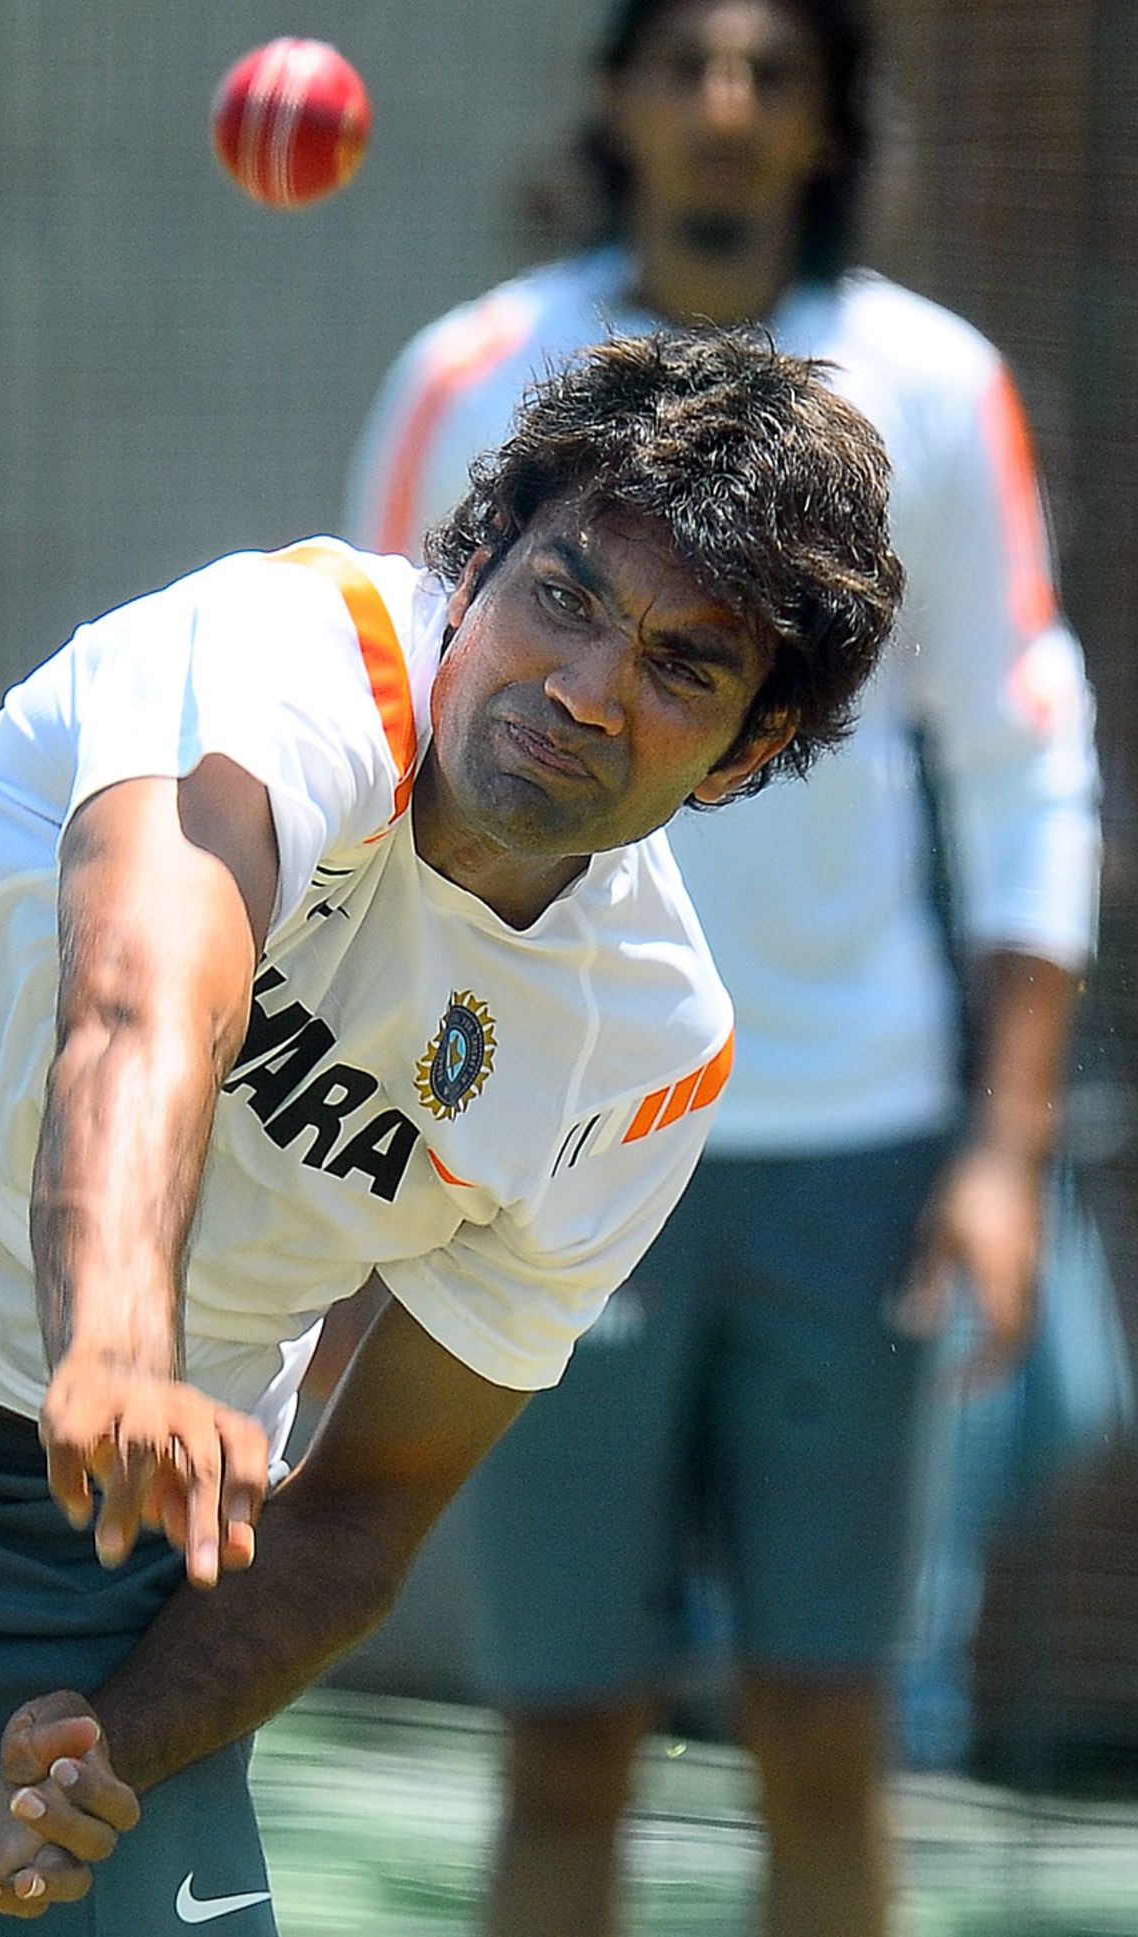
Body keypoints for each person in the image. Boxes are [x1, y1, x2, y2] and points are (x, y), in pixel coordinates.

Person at [0, 328, 904, 1932]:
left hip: (70, 1551)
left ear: (750, 748)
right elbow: (145, 994)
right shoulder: (293, 647)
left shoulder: (647, 1053)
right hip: (96, 1397)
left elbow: (362, 1509)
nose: (585, 688)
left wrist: (108, 1749)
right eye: (564, 596)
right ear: (475, 565)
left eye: (682, 665)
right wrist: (123, 1345)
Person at [341, 3, 1101, 1935]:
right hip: (522, 1133)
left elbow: (1029, 767)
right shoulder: (477, 369)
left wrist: (1002, 1153)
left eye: (773, 69)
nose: (726, 105)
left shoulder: (937, 387)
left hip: (849, 1159)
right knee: (562, 1738)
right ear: (619, 99)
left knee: (829, 1727)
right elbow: (378, 720)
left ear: (831, 117)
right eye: (686, 60)